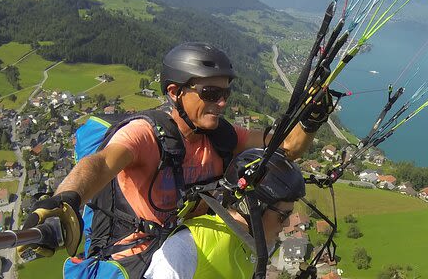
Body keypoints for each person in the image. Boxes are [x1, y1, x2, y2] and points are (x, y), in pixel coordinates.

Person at [22, 42, 329, 277]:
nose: (221, 103)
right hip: (141, 253)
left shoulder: (220, 136)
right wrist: (66, 201)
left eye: (225, 94)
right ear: (174, 92)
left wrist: (311, 120)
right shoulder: (147, 135)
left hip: (185, 243)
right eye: (210, 93)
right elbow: (101, 163)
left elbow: (283, 147)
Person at [145, 147, 306, 279]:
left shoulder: (258, 248)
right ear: (252, 206)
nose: (286, 224)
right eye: (283, 215)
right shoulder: (186, 248)